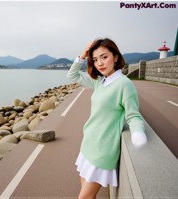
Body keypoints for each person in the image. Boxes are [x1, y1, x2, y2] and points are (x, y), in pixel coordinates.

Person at [66, 38, 148, 199]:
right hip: (88, 143)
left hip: (104, 150)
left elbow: (133, 115)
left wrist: (138, 132)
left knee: (84, 197)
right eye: (95, 60)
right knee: (87, 193)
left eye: (104, 57)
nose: (100, 63)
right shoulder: (100, 82)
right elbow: (72, 75)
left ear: (115, 57)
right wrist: (82, 56)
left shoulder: (125, 84)